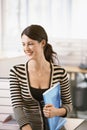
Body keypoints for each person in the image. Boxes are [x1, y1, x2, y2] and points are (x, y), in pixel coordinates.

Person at [9, 24, 73, 130]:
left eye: (30, 44)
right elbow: (17, 107)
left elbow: (68, 105)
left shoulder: (60, 72)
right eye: (23, 44)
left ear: (42, 43)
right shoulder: (16, 72)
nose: (26, 48)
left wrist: (56, 111)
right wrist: (26, 127)